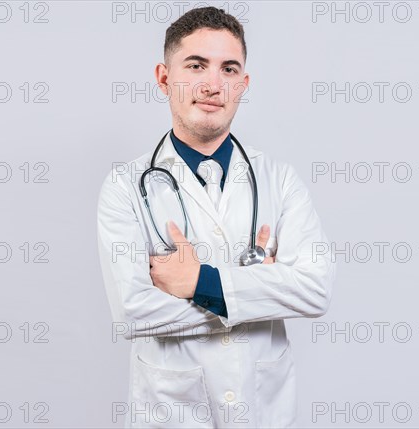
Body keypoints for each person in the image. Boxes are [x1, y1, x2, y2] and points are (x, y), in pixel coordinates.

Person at [97, 7, 336, 428]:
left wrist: (197, 283)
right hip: (172, 410)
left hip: (265, 409)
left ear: (243, 84)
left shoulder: (279, 180)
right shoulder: (124, 186)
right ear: (164, 77)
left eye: (229, 69)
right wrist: (263, 287)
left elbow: (315, 290)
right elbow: (135, 312)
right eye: (195, 65)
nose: (213, 84)